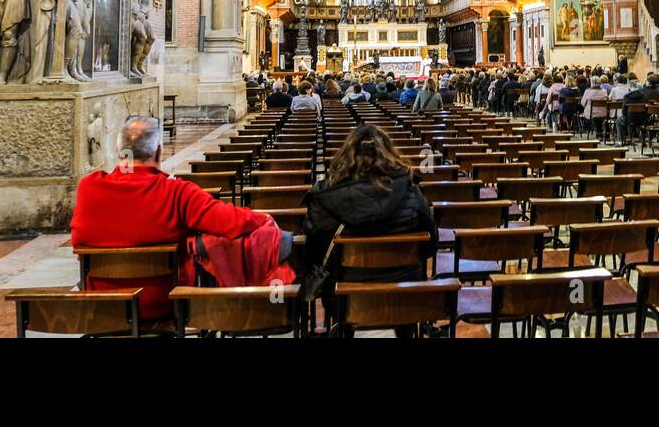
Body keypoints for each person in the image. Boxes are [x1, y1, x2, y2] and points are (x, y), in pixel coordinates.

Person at [71, 116, 277, 321]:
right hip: (165, 305)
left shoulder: (89, 188)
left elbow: (78, 243)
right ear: (158, 151)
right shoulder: (176, 193)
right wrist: (262, 218)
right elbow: (228, 221)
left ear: (119, 150)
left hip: (103, 308)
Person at [302, 125, 438, 336]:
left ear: (345, 157)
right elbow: (431, 245)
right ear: (389, 155)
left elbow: (313, 252)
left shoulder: (325, 196)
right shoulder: (411, 192)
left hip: (343, 297)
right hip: (403, 295)